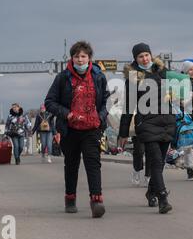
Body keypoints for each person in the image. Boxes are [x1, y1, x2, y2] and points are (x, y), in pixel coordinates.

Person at [45, 41, 109, 218]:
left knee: (93, 164)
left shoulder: (98, 76)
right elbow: (49, 102)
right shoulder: (63, 77)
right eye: (76, 56)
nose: (80, 60)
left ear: (89, 58)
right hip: (70, 129)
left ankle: (96, 201)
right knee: (72, 165)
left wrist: (100, 116)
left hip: (92, 128)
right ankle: (70, 198)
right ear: (71, 58)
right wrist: (67, 114)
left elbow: (105, 101)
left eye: (83, 56)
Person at [119, 43, 176, 214]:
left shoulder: (163, 71)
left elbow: (178, 91)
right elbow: (128, 107)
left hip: (166, 121)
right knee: (156, 162)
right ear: (135, 59)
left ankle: (151, 191)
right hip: (147, 123)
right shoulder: (133, 78)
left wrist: (177, 93)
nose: (144, 59)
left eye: (146, 55)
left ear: (151, 55)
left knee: (160, 162)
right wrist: (123, 133)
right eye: (140, 56)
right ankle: (163, 198)